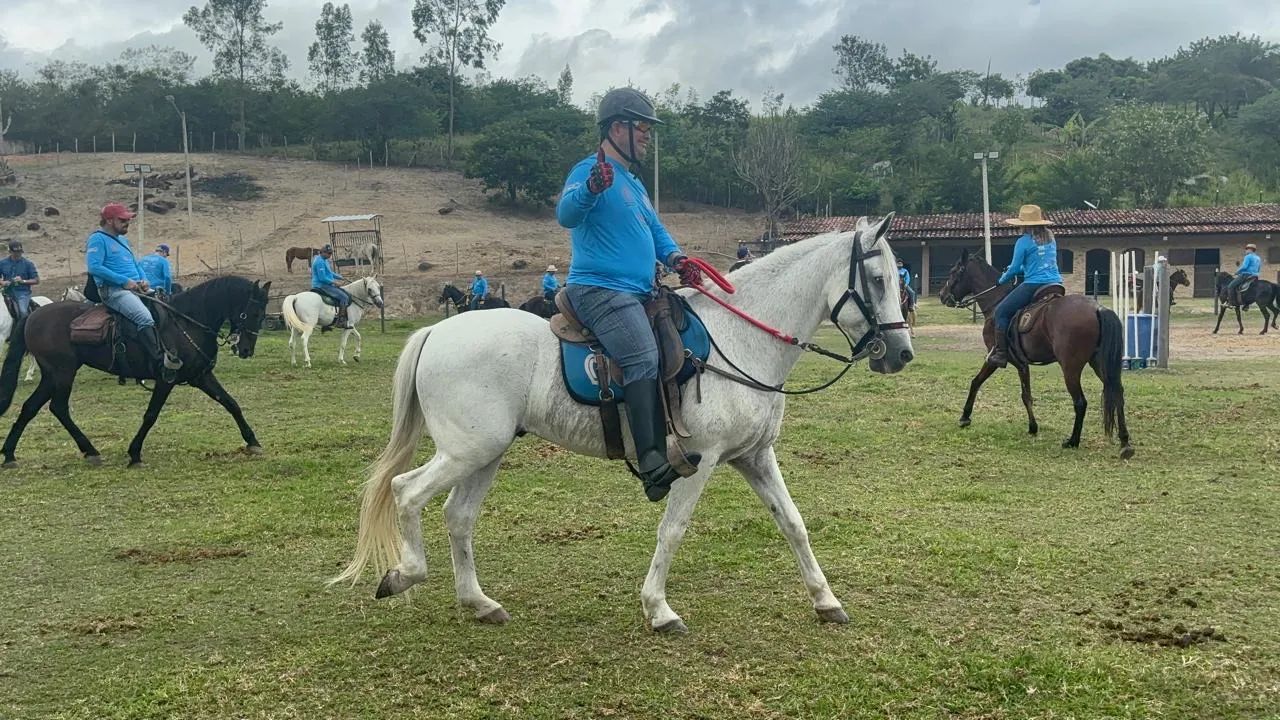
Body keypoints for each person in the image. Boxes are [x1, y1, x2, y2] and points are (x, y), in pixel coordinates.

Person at [557, 86, 703, 502]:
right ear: (616, 128)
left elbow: (653, 230)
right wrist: (589, 189)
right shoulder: (589, 169)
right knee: (641, 355)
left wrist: (676, 257)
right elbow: (567, 214)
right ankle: (653, 462)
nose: (647, 136)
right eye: (641, 127)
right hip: (600, 290)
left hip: (639, 291)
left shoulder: (635, 184)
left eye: (648, 129)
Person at [86, 203, 182, 380]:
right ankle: (159, 363)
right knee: (144, 317)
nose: (127, 223)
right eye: (122, 220)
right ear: (108, 220)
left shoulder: (123, 240)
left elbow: (135, 264)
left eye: (128, 220)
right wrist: (124, 281)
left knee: (166, 309)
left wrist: (144, 280)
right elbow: (94, 267)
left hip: (136, 288)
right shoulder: (97, 239)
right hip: (113, 291)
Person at [989, 204, 1063, 368]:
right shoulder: (1050, 237)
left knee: (1001, 311)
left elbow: (1014, 268)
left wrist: (1002, 279)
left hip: (1034, 285)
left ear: (1024, 225)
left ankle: (1001, 353)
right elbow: (1040, 263)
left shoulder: (1023, 241)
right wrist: (1023, 269)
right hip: (1055, 283)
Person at [311, 244, 350, 328]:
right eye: (329, 253)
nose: (330, 255)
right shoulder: (319, 262)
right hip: (321, 285)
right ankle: (340, 321)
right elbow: (322, 278)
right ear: (323, 253)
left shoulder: (324, 260)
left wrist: (340, 277)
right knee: (344, 297)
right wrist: (335, 282)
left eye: (330, 253)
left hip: (327, 283)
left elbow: (329, 273)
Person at [0, 240, 40, 319]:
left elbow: (36, 280)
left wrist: (23, 281)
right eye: (15, 252)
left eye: (19, 252)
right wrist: (2, 282)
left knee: (23, 312)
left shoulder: (28, 264)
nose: (18, 254)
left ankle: (24, 329)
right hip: (6, 292)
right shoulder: (2, 263)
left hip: (22, 293)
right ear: (10, 252)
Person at [1226, 242, 1262, 307]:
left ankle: (1231, 303)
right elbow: (1259, 268)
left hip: (1246, 275)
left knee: (1230, 286)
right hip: (1254, 276)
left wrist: (1237, 272)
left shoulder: (1248, 257)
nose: (1246, 250)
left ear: (1250, 249)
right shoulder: (1258, 258)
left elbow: (1244, 267)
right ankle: (1246, 304)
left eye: (1246, 249)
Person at [896, 257, 917, 338]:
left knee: (912, 292)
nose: (899, 265)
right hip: (896, 285)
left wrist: (906, 284)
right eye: (898, 263)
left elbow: (907, 278)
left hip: (903, 285)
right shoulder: (894, 270)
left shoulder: (905, 271)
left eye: (901, 263)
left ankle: (912, 304)